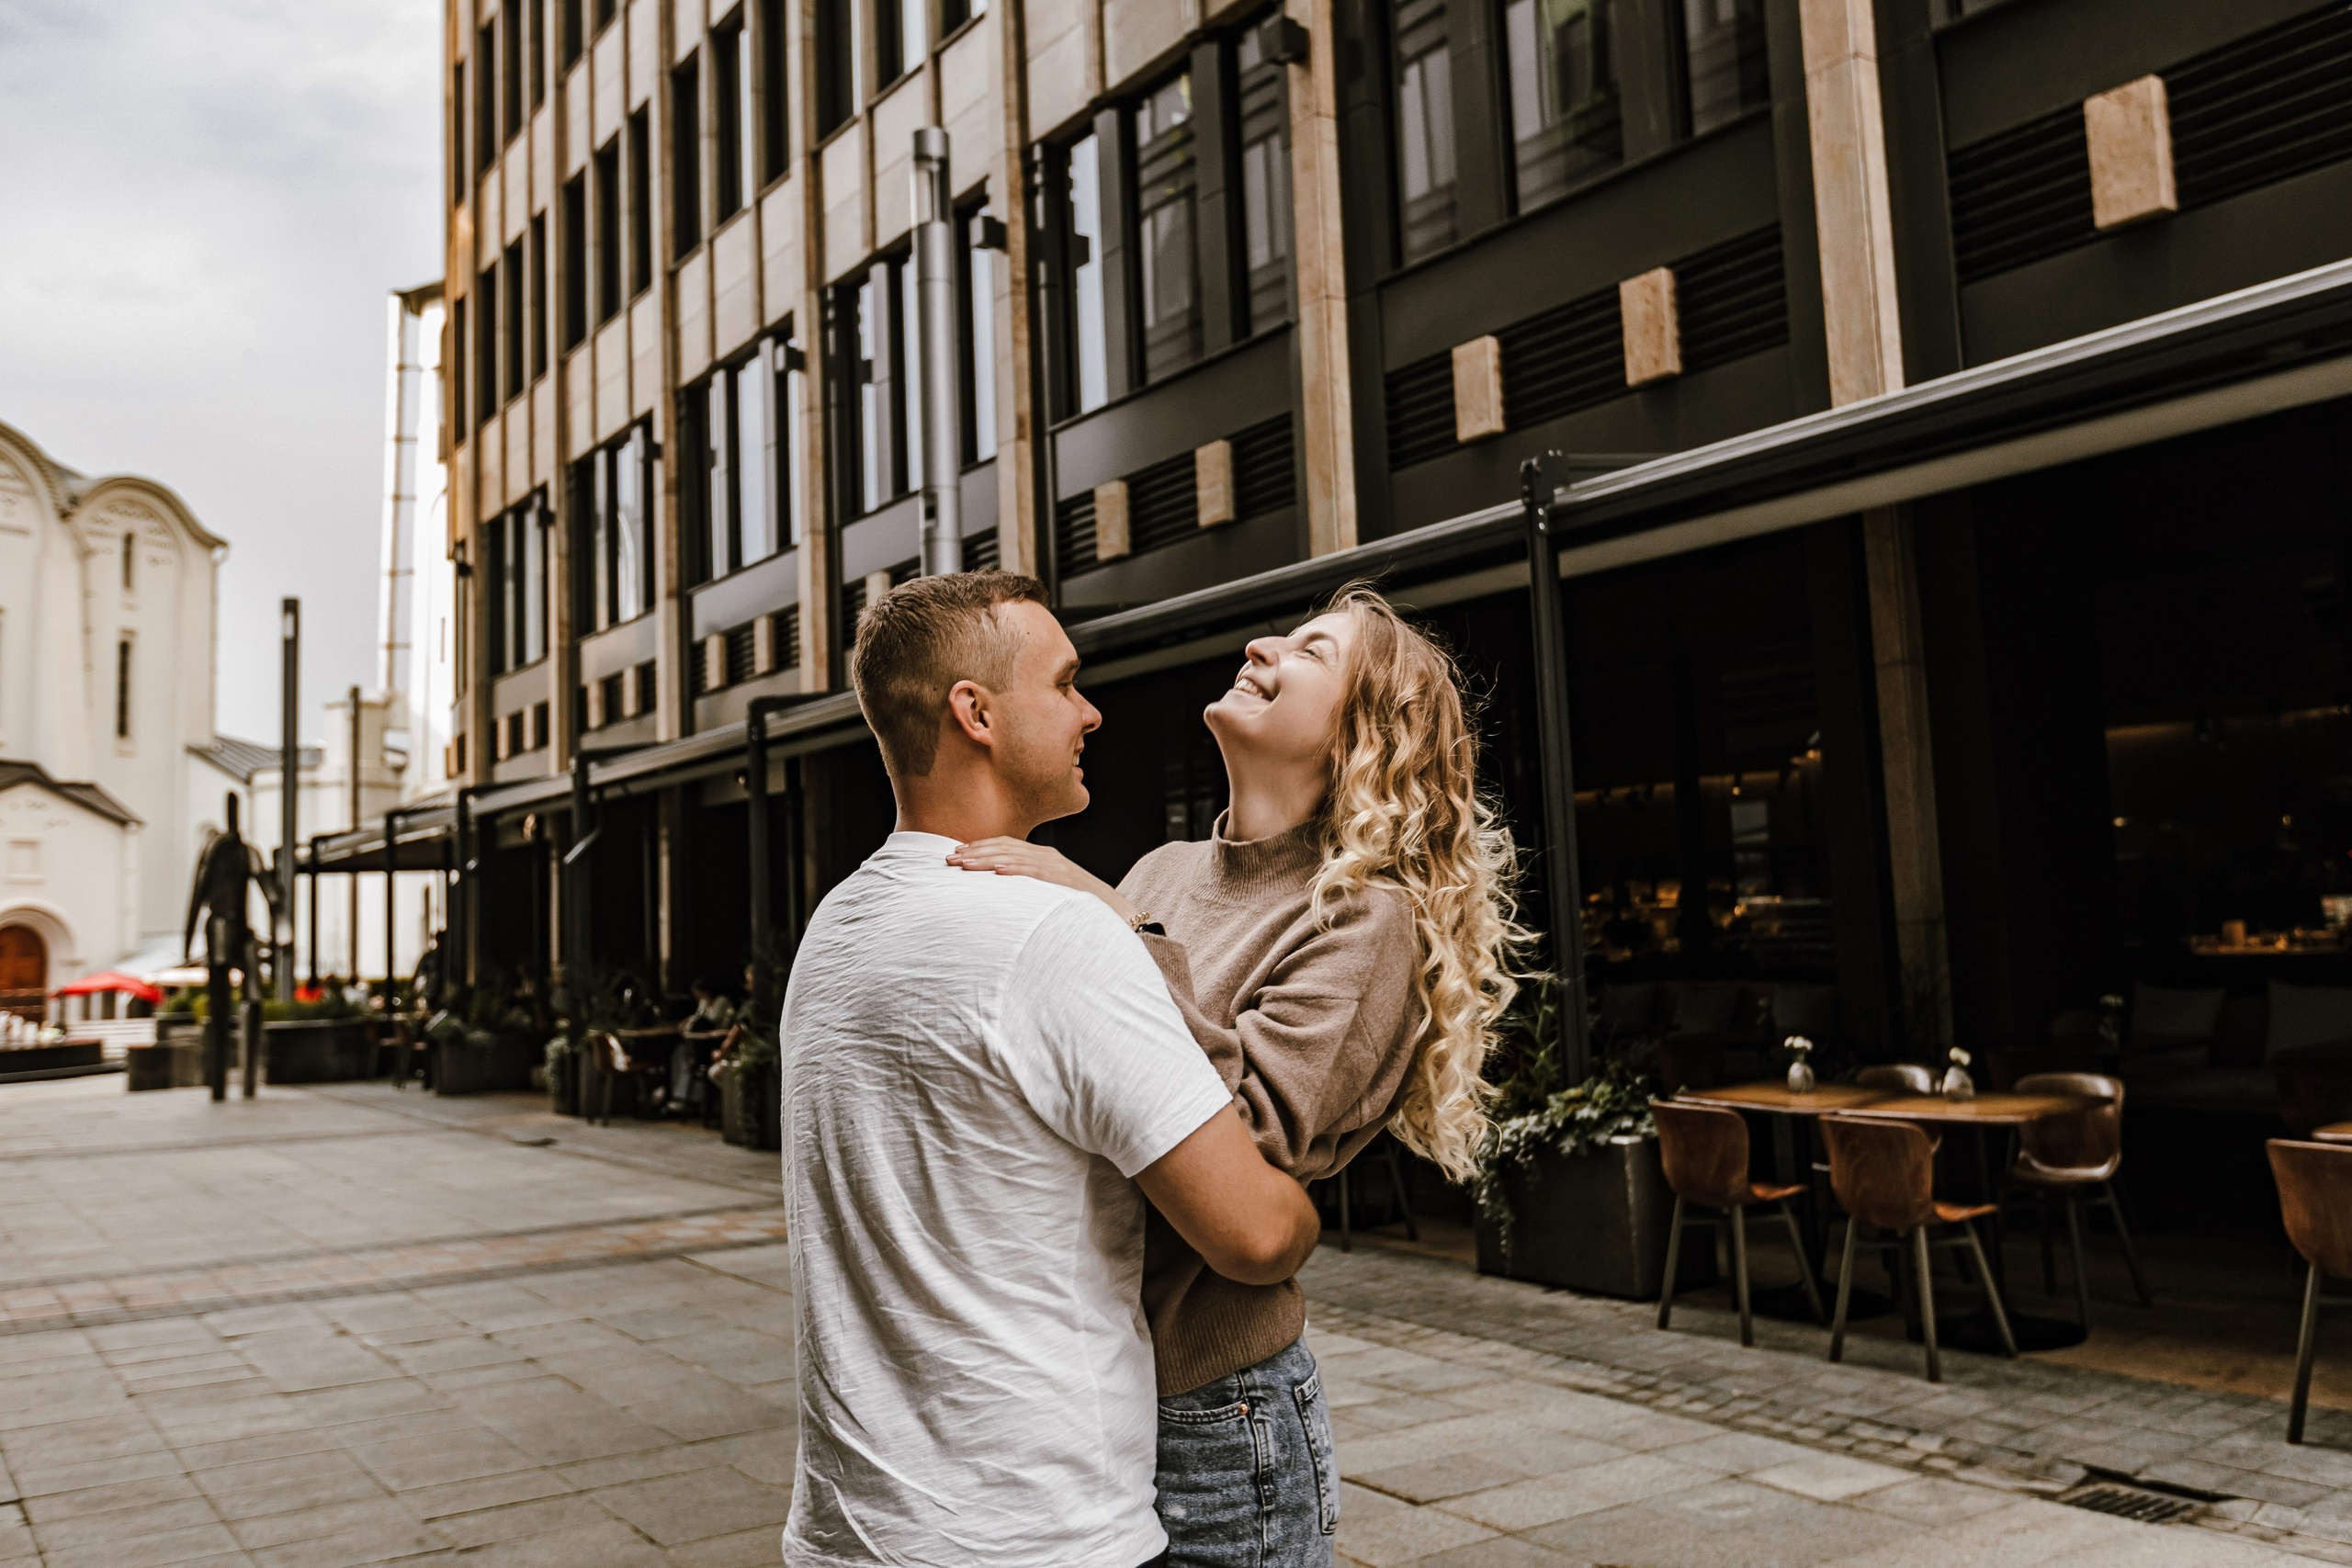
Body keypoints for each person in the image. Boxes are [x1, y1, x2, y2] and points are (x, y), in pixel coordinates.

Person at [951, 583, 1521, 1563]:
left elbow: (1244, 1149)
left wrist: (1110, 925)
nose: (1260, 646)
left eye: (1308, 651)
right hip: (1083, 1396)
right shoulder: (1162, 870)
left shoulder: (1362, 919)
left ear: (1368, 731)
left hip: (1215, 1413)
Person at [783, 570, 1324, 1568]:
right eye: (1065, 681)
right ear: (975, 713)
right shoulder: (1053, 933)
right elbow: (1255, 1235)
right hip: (1028, 1535)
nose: (1091, 710)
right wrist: (1305, 1210)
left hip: (849, 1533)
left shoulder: (837, 927)